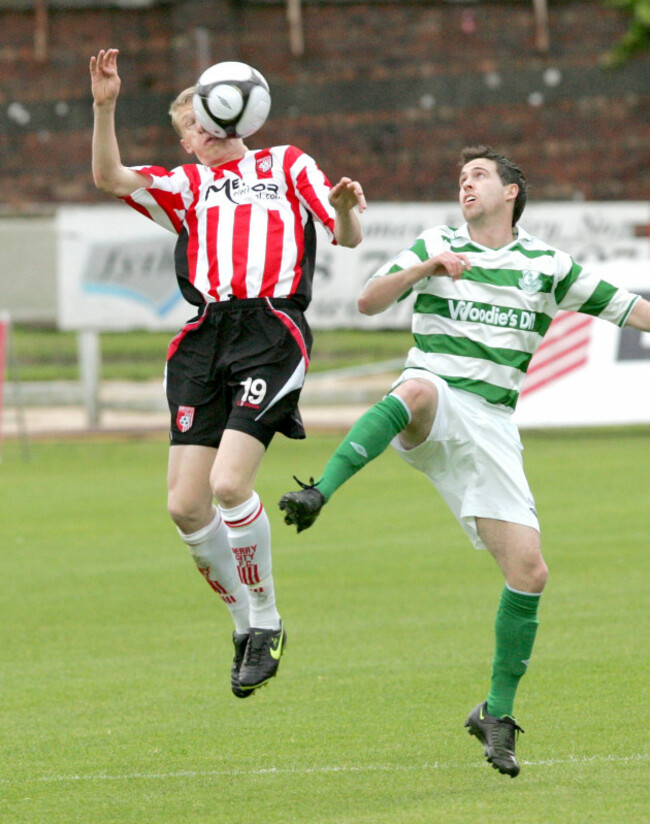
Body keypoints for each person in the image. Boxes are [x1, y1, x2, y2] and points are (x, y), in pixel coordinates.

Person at [279, 145, 650, 776]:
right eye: (460, 178)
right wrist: (424, 267)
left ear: (512, 192)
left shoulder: (546, 265)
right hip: (436, 399)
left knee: (530, 572)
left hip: (494, 426)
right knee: (419, 385)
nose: (466, 185)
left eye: (479, 175)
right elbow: (369, 301)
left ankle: (495, 714)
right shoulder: (437, 242)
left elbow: (631, 309)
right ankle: (320, 489)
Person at [90, 48, 366, 699]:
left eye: (204, 123)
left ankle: (268, 621)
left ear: (235, 120)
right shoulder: (187, 187)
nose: (199, 137)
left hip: (271, 330)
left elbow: (347, 236)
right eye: (191, 129)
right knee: (185, 505)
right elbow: (109, 177)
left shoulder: (285, 165)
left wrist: (347, 207)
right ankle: (244, 622)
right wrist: (104, 108)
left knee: (228, 484)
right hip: (204, 335)